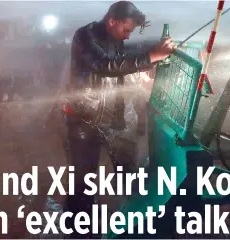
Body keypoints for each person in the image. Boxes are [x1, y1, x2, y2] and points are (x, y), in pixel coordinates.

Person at [62, 1, 176, 238]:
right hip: (85, 122)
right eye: (126, 30)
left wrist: (143, 71)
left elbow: (121, 69)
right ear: (112, 21)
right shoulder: (84, 36)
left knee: (130, 179)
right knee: (83, 186)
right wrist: (151, 56)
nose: (127, 35)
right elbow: (105, 65)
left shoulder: (116, 38)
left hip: (116, 122)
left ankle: (134, 229)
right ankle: (79, 234)